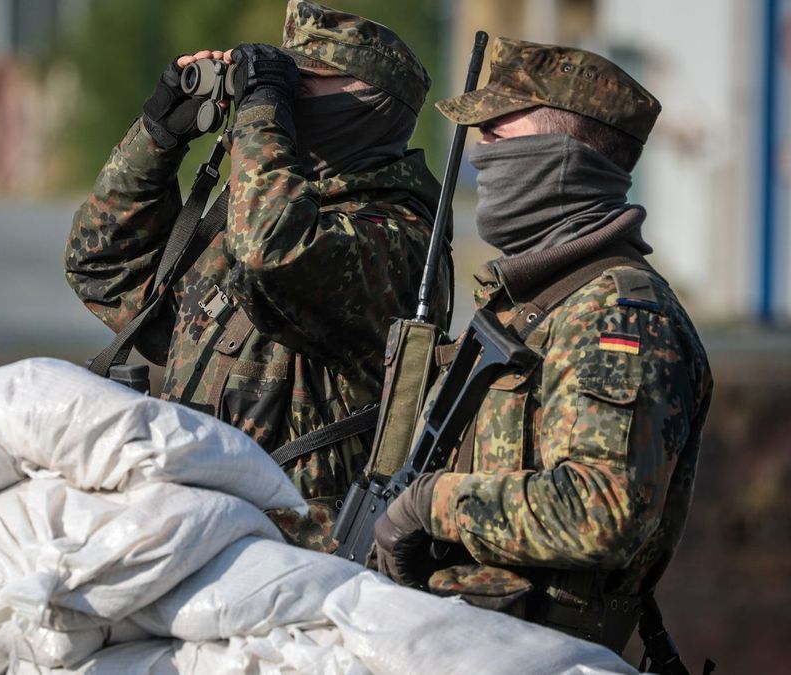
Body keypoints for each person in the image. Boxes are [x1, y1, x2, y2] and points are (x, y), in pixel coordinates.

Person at [65, 0, 451, 549]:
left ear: (367, 104)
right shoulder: (258, 212)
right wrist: (157, 138)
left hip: (301, 550)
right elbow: (101, 267)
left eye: (303, 83)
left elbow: (272, 249)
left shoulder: (394, 236)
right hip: (202, 525)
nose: (286, 100)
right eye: (282, 83)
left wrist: (261, 110)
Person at [371, 37, 713, 653]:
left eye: (498, 136)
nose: (481, 154)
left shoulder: (618, 315)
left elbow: (602, 512)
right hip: (462, 643)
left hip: (536, 654)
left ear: (561, 155)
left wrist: (430, 504)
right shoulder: (531, 303)